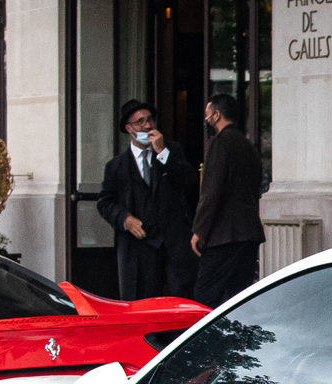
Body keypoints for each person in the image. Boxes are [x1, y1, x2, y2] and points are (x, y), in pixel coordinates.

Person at [97, 99, 196, 300]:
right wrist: (126, 219)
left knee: (178, 301)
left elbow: (189, 181)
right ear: (129, 128)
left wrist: (162, 153)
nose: (148, 126)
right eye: (140, 122)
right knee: (143, 304)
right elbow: (104, 202)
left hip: (173, 246)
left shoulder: (172, 151)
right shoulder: (116, 166)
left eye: (150, 120)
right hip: (139, 249)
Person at [190, 93, 264, 308]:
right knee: (239, 299)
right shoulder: (248, 145)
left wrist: (199, 230)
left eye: (207, 114)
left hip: (224, 236)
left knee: (205, 297)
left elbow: (211, 191)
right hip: (248, 233)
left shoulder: (220, 143)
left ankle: (204, 342)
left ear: (217, 114)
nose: (206, 119)